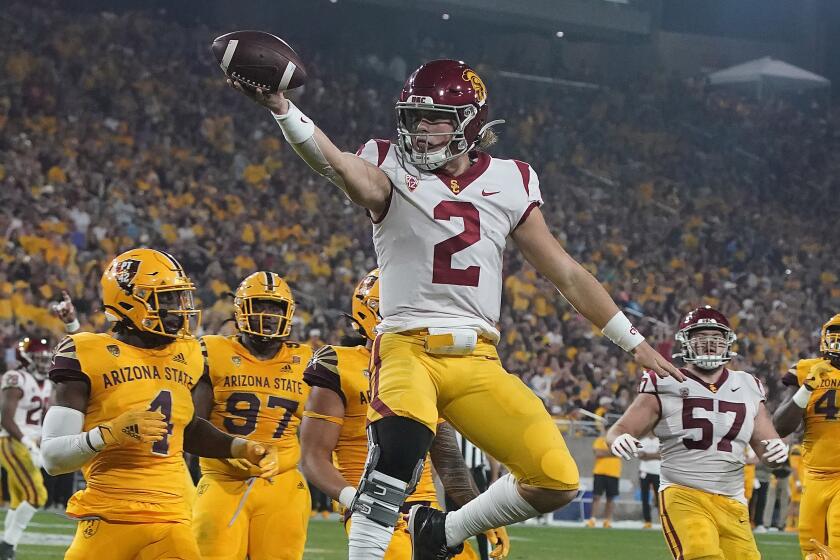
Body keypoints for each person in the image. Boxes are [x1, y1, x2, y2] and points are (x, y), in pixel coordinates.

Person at [229, 58, 681, 560]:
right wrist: (284, 109)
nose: (420, 131)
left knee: (556, 479)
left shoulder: (512, 180)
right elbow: (335, 165)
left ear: (469, 121)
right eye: (414, 118)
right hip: (406, 347)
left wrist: (633, 342)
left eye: (435, 119)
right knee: (394, 456)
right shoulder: (387, 164)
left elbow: (566, 273)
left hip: (478, 360)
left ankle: (439, 533)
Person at [40, 248, 279, 560]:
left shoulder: (188, 354)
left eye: (178, 298)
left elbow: (186, 427)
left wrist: (241, 447)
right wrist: (108, 434)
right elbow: (53, 458)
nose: (178, 309)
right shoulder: (86, 352)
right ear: (127, 298)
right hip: (109, 515)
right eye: (165, 298)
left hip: (172, 518)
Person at [300, 269, 509, 559]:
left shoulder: (425, 366)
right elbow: (313, 456)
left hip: (426, 514)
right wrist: (355, 500)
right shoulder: (338, 365)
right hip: (371, 504)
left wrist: (482, 514)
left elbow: (448, 461)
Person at [607, 306, 789, 560]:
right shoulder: (663, 379)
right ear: (686, 341)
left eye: (716, 338)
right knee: (702, 554)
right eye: (701, 338)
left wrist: (778, 451)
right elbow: (621, 429)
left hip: (733, 500)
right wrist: (620, 438)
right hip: (684, 493)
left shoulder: (747, 385)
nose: (710, 344)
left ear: (727, 343)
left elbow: (767, 451)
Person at [192, 271, 313, 560]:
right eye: (260, 305)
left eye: (275, 308)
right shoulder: (213, 350)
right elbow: (193, 427)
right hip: (223, 478)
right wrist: (231, 449)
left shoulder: (307, 361)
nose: (268, 315)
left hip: (282, 482)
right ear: (241, 309)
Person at [773, 313, 840, 559]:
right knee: (811, 551)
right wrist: (807, 388)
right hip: (814, 475)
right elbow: (780, 426)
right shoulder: (808, 370)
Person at [0, 337, 52, 558]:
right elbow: (6, 419)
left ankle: (7, 546)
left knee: (19, 499)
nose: (43, 363)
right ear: (26, 357)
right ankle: (7, 547)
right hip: (13, 442)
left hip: (31, 444)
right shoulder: (16, 378)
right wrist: (27, 445)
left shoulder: (48, 384)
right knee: (37, 495)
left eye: (46, 359)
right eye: (39, 358)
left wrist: (39, 444)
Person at [587, 425, 621, 528]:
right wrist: (612, 453)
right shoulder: (600, 440)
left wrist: (605, 453)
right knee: (596, 496)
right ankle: (592, 519)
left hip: (613, 473)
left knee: (610, 498)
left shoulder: (618, 442)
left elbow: (620, 453)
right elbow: (597, 453)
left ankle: (607, 520)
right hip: (599, 472)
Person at [638, 433, 661, 529]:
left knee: (659, 497)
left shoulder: (659, 441)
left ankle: (662, 520)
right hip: (644, 471)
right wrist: (654, 455)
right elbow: (640, 455)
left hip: (657, 472)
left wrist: (646, 455)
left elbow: (661, 455)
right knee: (644, 497)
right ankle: (647, 521)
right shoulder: (642, 441)